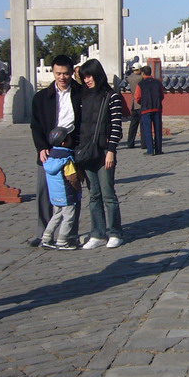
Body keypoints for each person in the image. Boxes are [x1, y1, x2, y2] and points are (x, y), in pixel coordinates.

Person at [30, 55, 83, 246]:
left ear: (72, 72)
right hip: (49, 151)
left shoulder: (81, 94)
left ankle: (69, 234)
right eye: (58, 73)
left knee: (72, 191)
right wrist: (41, 147)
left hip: (71, 150)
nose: (62, 77)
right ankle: (43, 233)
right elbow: (35, 125)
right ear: (53, 72)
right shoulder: (41, 98)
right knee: (45, 192)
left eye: (66, 73)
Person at [78, 59, 124, 249]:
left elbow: (116, 126)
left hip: (104, 151)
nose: (87, 80)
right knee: (94, 195)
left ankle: (115, 232)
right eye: (84, 77)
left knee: (108, 194)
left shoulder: (111, 97)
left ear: (98, 74)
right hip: (87, 151)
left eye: (89, 75)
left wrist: (111, 151)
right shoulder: (83, 98)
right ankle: (97, 233)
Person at [41, 126, 82, 250]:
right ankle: (62, 240)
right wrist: (78, 187)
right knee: (69, 217)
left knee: (57, 215)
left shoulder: (51, 155)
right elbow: (71, 177)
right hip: (66, 192)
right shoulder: (66, 158)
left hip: (54, 194)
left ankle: (46, 238)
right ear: (64, 142)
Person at [135, 65, 165, 155]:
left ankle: (150, 150)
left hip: (145, 109)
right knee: (158, 129)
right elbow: (162, 95)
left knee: (147, 130)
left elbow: (137, 97)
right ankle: (158, 149)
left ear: (143, 73)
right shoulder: (158, 83)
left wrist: (143, 102)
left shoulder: (141, 84)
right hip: (157, 108)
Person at [125, 67, 143, 149]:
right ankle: (144, 143)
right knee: (142, 125)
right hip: (140, 104)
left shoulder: (129, 78)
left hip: (133, 104)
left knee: (133, 126)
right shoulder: (140, 78)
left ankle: (130, 143)